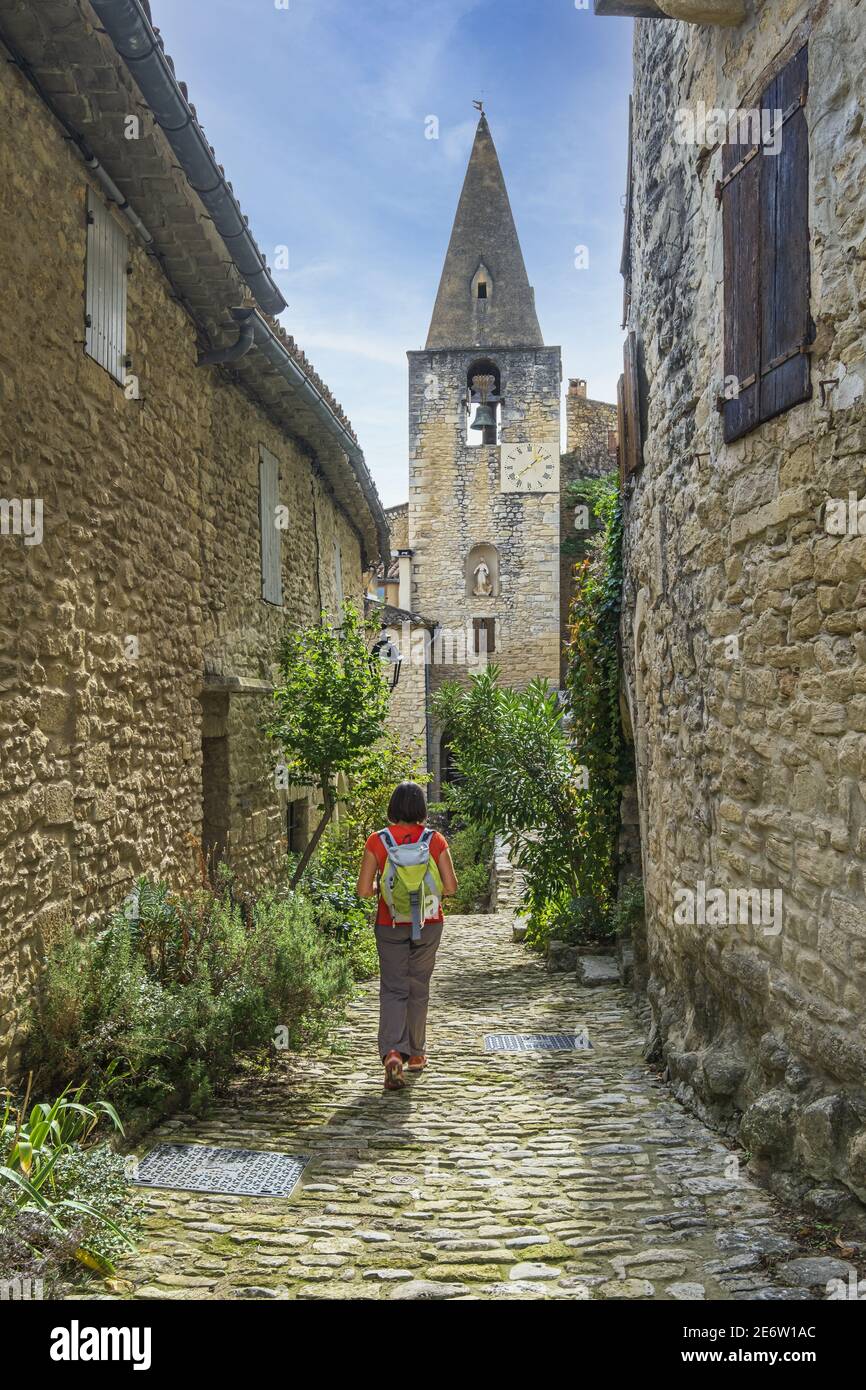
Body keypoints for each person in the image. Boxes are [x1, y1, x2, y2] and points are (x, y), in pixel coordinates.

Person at [356, 781, 458, 1090]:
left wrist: (381, 890)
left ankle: (392, 1053)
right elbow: (451, 888)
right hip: (428, 922)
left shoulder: (378, 840)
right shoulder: (435, 840)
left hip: (390, 923)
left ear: (392, 809)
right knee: (418, 987)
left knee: (393, 989)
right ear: (422, 810)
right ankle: (416, 1054)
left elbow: (363, 891)